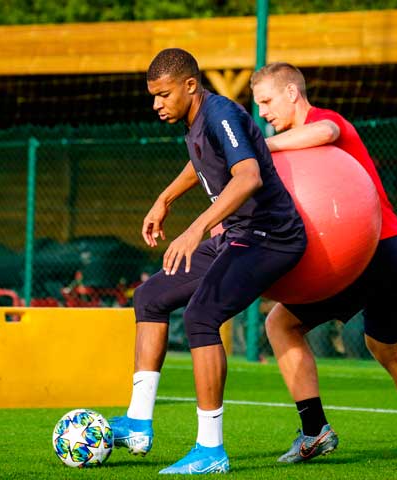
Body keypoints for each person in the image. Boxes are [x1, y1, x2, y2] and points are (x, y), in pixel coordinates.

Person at [109, 49, 307, 474]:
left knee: (201, 315)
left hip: (271, 238)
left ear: (190, 86)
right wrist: (164, 199)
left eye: (163, 95)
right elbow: (200, 160)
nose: (156, 104)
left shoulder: (221, 114)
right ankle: (138, 422)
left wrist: (195, 227)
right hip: (238, 236)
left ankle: (211, 450)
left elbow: (248, 176)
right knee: (151, 296)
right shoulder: (196, 122)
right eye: (153, 96)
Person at [250, 62, 397, 463]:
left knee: (279, 323)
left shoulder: (323, 122)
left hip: (368, 250)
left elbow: (326, 133)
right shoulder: (293, 143)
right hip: (395, 250)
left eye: (267, 101)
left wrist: (263, 147)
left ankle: (314, 431)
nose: (263, 113)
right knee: (387, 349)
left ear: (292, 93)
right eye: (258, 104)